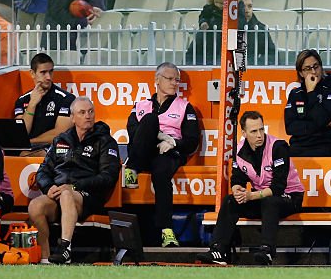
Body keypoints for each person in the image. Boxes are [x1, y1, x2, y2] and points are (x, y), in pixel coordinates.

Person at [199, 111, 305, 266]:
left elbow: (278, 188)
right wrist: (237, 190)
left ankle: (266, 251)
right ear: (244, 133)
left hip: (289, 197)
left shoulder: (278, 147)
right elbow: (237, 178)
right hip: (262, 198)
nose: (259, 135)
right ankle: (219, 250)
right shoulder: (239, 151)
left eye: (261, 129)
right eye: (254, 131)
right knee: (230, 200)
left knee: (271, 201)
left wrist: (250, 196)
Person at [30, 96, 120, 265]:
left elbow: (108, 177)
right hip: (60, 193)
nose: (88, 116)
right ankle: (45, 257)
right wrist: (48, 187)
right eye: (82, 112)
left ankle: (65, 249)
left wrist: (73, 186)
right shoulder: (61, 140)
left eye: (91, 112)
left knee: (67, 195)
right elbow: (43, 171)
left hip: (88, 196)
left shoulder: (105, 141)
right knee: (36, 206)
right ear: (72, 118)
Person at [126, 63, 201, 247]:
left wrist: (172, 142)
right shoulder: (141, 105)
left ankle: (166, 230)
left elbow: (192, 141)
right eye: (169, 78)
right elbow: (133, 132)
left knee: (161, 173)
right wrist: (160, 136)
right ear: (157, 80)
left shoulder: (185, 107)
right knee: (150, 119)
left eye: (177, 80)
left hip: (168, 152)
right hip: (143, 152)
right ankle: (132, 168)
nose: (174, 83)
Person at [284, 49, 331, 157]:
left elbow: (321, 119)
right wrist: (321, 125)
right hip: (299, 148)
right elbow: (290, 127)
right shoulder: (295, 93)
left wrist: (311, 92)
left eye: (316, 66)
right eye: (308, 69)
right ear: (301, 73)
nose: (313, 72)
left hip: (325, 147)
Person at [13, 52, 76, 154]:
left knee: (34, 153)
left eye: (51, 72)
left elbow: (60, 133)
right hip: (27, 149)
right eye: (43, 72)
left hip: (55, 148)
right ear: (32, 73)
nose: (48, 77)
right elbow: (20, 134)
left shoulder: (66, 99)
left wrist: (30, 142)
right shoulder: (22, 100)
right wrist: (32, 104)